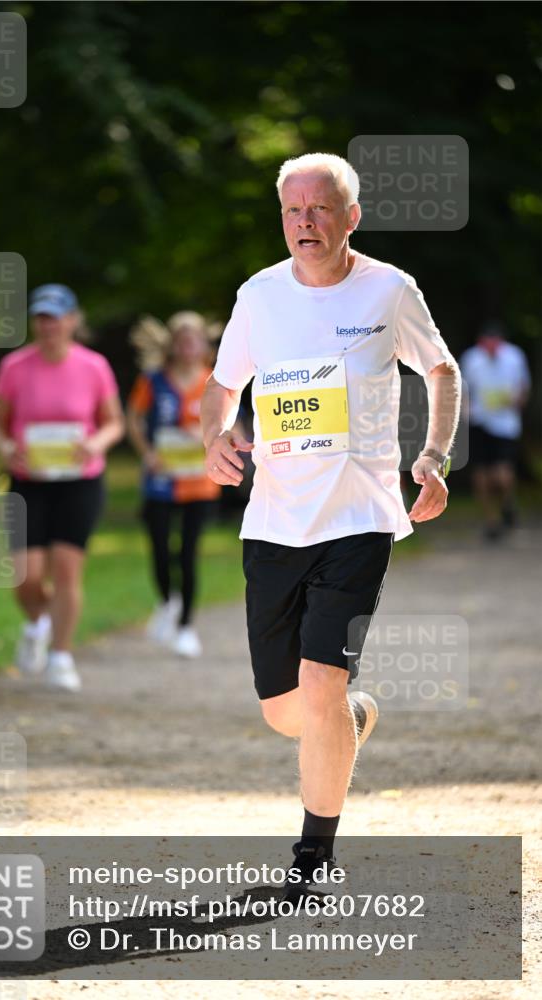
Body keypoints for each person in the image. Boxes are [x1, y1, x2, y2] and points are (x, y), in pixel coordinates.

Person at [201, 152, 461, 900]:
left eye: (319, 209)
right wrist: (215, 436)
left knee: (321, 682)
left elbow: (439, 370)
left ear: (351, 216)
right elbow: (221, 388)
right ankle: (346, 718)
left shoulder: (388, 290)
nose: (304, 223)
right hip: (274, 521)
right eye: (292, 210)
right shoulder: (259, 296)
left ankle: (311, 859)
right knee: (290, 713)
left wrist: (433, 455)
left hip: (358, 517)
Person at [0, 284, 125, 692]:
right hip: (29, 481)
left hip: (79, 481)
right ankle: (36, 624)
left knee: (67, 570)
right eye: (41, 317)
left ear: (72, 320)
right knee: (25, 578)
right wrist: (7, 447)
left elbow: (113, 422)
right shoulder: (14, 367)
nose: (48, 325)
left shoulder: (94, 366)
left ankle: (61, 656)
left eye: (55, 316)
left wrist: (94, 444)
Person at [127, 312, 221, 657]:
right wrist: (147, 452)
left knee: (188, 552)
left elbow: (233, 425)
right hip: (161, 480)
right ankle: (168, 599)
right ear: (171, 344)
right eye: (181, 339)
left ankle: (185, 627)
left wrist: (213, 438)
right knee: (160, 549)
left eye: (194, 339)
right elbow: (133, 418)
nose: (188, 346)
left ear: (203, 344)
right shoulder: (153, 381)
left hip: (199, 483)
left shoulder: (215, 380)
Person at [460, 323, 531, 540]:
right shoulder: (471, 359)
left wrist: (518, 402)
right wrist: (463, 414)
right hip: (479, 420)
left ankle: (508, 502)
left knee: (502, 471)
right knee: (481, 472)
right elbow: (461, 388)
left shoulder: (514, 356)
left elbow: (524, 386)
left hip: (505, 423)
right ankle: (491, 519)